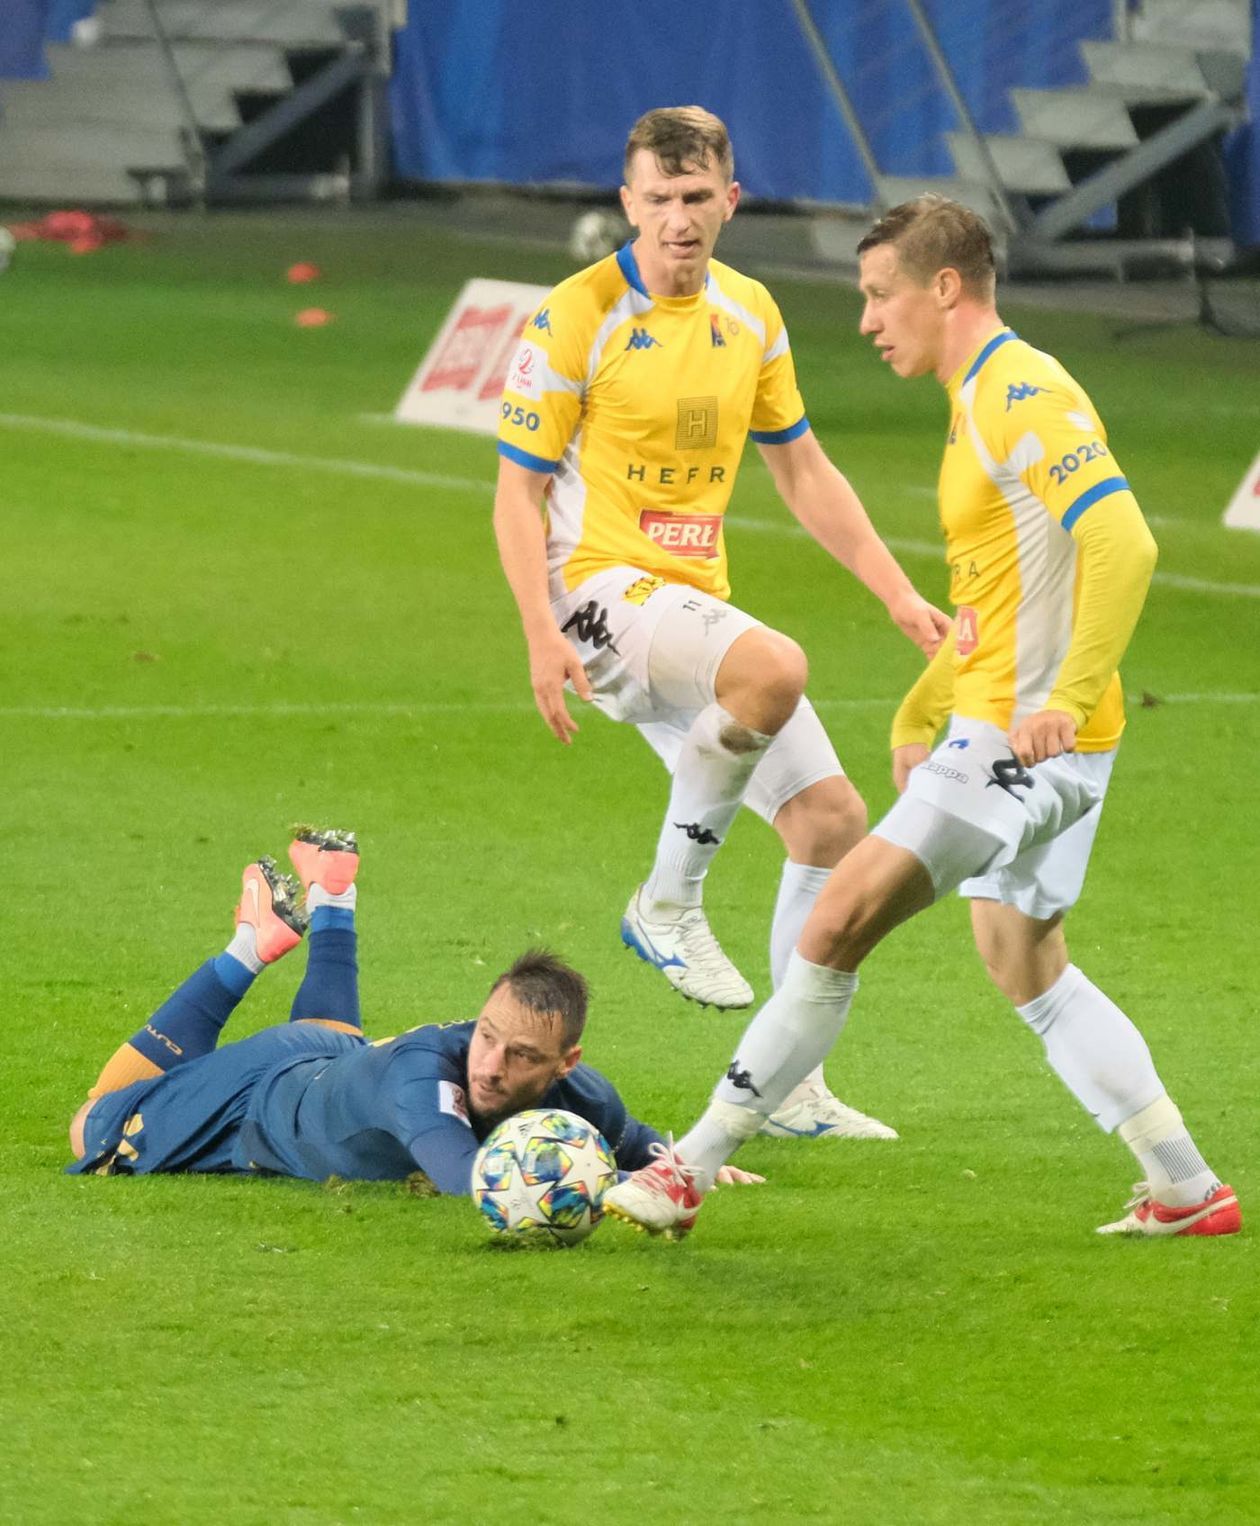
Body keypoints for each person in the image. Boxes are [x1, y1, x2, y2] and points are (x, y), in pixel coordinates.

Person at [603, 195, 1241, 1240]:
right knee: (1023, 959)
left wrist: (1061, 700)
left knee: (835, 918)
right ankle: (1184, 1184)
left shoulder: (1020, 392)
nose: (866, 319)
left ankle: (689, 1167)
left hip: (1023, 742)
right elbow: (1002, 585)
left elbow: (1124, 544)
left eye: (878, 294)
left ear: (945, 287)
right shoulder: (979, 393)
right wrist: (923, 701)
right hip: (1033, 736)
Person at [493, 105, 949, 1142]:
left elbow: (801, 466)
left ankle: (785, 1084)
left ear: (731, 201)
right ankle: (666, 901)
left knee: (832, 822)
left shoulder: (751, 313)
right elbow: (516, 494)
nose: (678, 219)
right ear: (627, 203)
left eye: (698, 198)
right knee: (774, 666)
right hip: (598, 596)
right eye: (658, 199)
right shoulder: (579, 313)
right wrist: (537, 628)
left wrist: (893, 588)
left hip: (684, 604)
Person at [68, 827, 761, 1194]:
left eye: (521, 1055)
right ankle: (247, 947)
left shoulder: (582, 1093)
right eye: (487, 1037)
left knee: (337, 1041)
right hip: (256, 1100)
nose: (490, 1065)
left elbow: (633, 1135)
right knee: (90, 1121)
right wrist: (607, 1181)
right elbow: (467, 1178)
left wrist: (686, 1163)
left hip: (331, 1056)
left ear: (564, 1063)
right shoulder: (425, 1083)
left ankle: (333, 902)